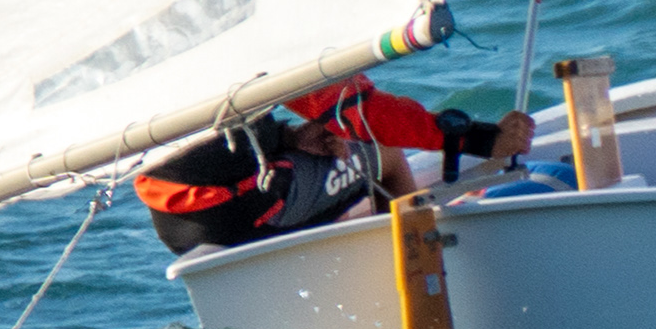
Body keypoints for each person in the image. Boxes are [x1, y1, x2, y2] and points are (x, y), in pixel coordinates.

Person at [137, 74, 535, 255]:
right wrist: (482, 139)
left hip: (173, 223)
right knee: (384, 151)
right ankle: (415, 268)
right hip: (243, 208)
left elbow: (202, 150)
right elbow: (362, 114)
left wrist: (290, 138)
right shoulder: (267, 29)